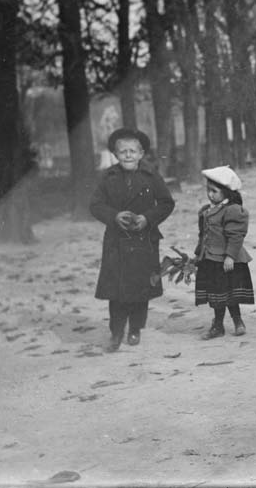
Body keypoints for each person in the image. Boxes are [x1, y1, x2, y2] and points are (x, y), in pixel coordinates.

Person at [90, 128, 175, 352]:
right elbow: (95, 205)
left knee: (140, 288)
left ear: (141, 153)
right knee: (115, 291)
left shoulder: (151, 175)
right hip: (117, 242)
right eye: (122, 151)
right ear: (115, 155)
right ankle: (116, 332)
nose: (127, 155)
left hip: (143, 240)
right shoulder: (108, 177)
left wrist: (147, 219)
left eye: (132, 151)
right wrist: (113, 216)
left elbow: (167, 203)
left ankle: (136, 328)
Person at [194, 165, 255, 339]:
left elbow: (236, 236)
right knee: (216, 294)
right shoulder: (206, 211)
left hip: (227, 260)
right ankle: (218, 326)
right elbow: (203, 235)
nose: (210, 195)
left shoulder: (232, 210)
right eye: (208, 190)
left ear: (227, 193)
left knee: (230, 293)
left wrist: (230, 256)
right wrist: (198, 254)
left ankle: (238, 322)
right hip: (210, 259)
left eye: (214, 191)